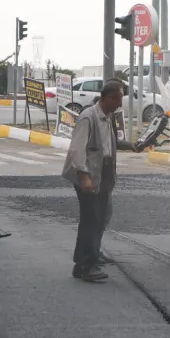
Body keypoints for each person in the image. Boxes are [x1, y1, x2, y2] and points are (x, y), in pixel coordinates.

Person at [63, 79, 143, 282]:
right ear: (106, 97)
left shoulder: (108, 117)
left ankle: (87, 258)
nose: (120, 103)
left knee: (102, 216)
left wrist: (131, 146)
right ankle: (87, 265)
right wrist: (84, 176)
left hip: (104, 173)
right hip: (88, 175)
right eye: (117, 99)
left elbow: (111, 143)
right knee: (91, 219)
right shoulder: (88, 118)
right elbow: (76, 150)